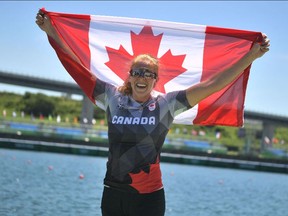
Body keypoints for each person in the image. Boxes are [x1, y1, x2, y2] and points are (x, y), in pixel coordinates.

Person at [35, 10, 270, 216]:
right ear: (129, 76)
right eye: (138, 72)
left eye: (149, 74)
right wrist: (51, 33)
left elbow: (213, 84)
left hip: (148, 197)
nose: (142, 78)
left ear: (156, 81)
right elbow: (76, 67)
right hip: (113, 194)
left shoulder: (167, 104)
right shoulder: (111, 97)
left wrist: (250, 56)